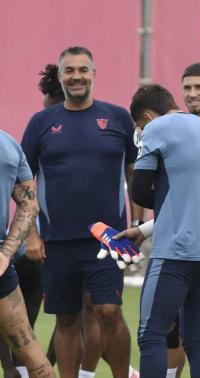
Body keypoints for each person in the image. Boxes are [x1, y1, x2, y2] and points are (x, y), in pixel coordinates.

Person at [21, 47, 136, 378]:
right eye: (69, 70)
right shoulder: (41, 123)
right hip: (56, 242)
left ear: (94, 74)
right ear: (61, 76)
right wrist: (32, 234)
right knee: (67, 319)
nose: (76, 76)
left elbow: (133, 173)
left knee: (109, 311)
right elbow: (24, 181)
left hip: (108, 240)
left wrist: (138, 224)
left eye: (82, 70)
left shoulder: (117, 119)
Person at [129, 83, 200, 378]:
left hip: (176, 250)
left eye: (139, 126)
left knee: (151, 335)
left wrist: (160, 210)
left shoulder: (157, 128)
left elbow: (139, 191)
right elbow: (195, 199)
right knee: (198, 340)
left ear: (148, 117)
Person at [0, 130, 56, 378]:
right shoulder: (8, 144)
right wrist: (6, 252)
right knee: (31, 351)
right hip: (1, 264)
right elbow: (30, 203)